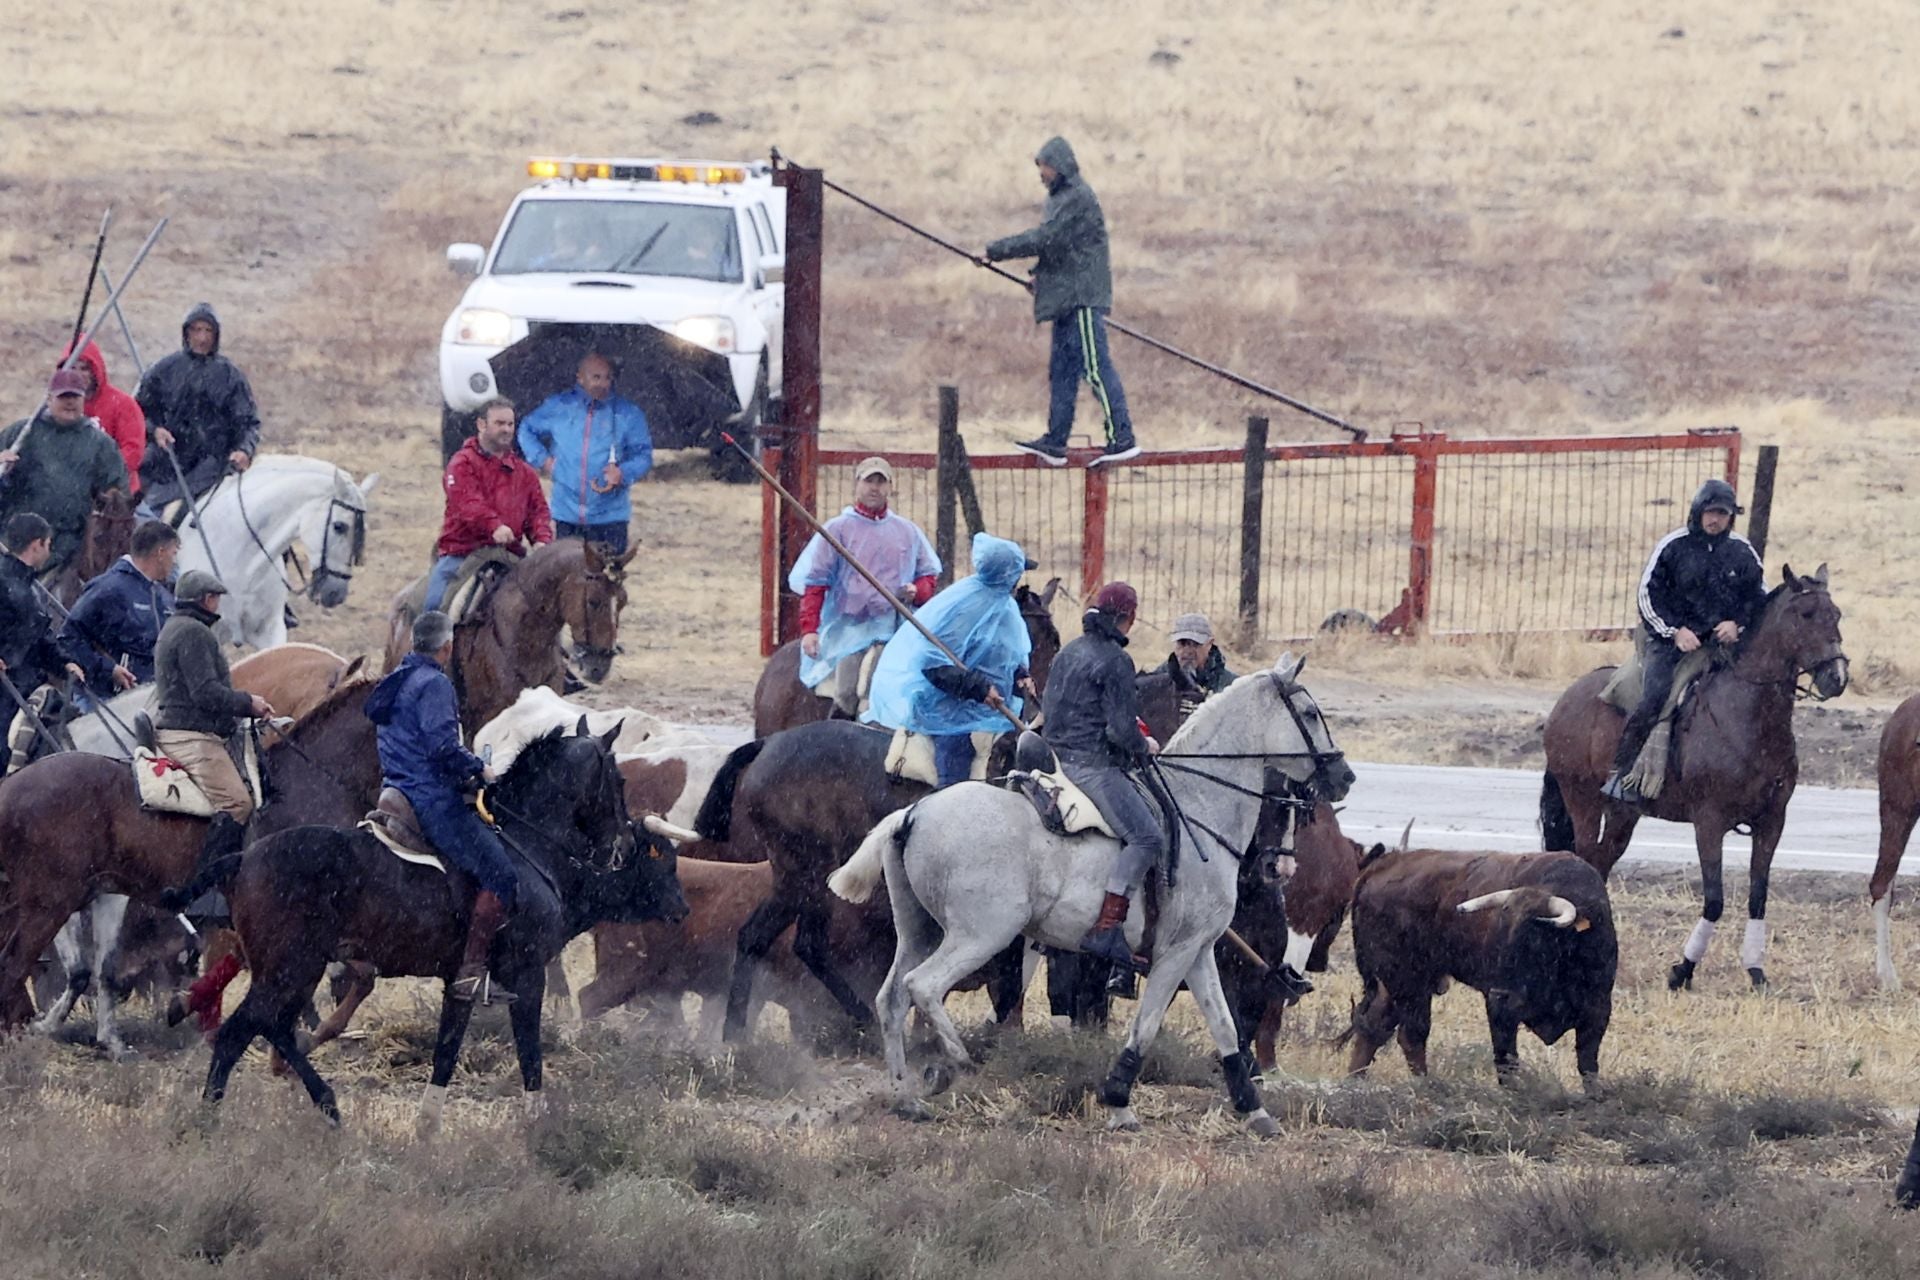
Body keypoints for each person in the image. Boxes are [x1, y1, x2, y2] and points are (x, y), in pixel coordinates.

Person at [365, 611, 516, 1002]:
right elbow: (442, 747)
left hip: (394, 791)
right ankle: (472, 971)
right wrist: (479, 769)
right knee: (501, 873)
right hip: (431, 800)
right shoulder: (434, 684)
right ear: (447, 647)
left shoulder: (395, 680)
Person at [1604, 478, 1768, 803]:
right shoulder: (1672, 546)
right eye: (1711, 512)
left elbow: (1759, 597)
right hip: (1668, 642)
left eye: (1723, 514)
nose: (1716, 520)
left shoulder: (1742, 551)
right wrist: (1675, 631)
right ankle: (1622, 773)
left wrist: (1737, 624)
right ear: (1698, 511)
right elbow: (1647, 596)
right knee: (1654, 697)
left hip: (1723, 645)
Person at [984, 137, 1137, 468]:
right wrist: (1041, 278)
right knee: (1062, 374)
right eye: (1040, 167)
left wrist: (995, 251)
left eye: (1046, 167)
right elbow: (1061, 249)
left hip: (1082, 300)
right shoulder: (1060, 199)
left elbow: (1046, 238)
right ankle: (1055, 442)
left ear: (1060, 166)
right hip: (1066, 300)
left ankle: (1122, 438)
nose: (1042, 173)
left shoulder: (1077, 196)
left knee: (1095, 368)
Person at [1042, 581, 1164, 969]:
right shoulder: (1116, 660)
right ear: (1129, 618)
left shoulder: (1069, 651)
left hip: (1052, 759)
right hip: (1090, 766)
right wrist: (1144, 745)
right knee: (1147, 837)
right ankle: (1108, 926)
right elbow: (1120, 731)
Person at [864, 532, 1033, 788]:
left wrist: (1021, 675)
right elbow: (932, 663)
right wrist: (978, 688)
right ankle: (947, 799)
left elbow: (1005, 655)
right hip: (950, 709)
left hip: (997, 710)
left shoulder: (1005, 606)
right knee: (956, 756)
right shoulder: (962, 607)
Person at [152, 570, 274, 907]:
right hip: (191, 736)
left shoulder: (175, 627)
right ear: (206, 599)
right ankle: (200, 887)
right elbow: (205, 692)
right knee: (239, 803)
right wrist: (248, 703)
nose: (218, 603)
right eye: (216, 598)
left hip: (183, 728)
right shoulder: (194, 633)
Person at [789, 456, 940, 708]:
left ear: (890, 487)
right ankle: (842, 721)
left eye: (881, 482)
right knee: (846, 690)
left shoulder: (907, 532)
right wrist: (810, 630)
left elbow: (928, 577)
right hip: (847, 629)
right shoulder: (836, 530)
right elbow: (815, 583)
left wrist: (917, 591)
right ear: (857, 484)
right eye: (869, 481)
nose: (874, 488)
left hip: (894, 628)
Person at [426, 398, 554, 612]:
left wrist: (542, 540)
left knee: (546, 609)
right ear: (481, 425)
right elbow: (467, 503)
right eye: (499, 423)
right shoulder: (461, 464)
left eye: (510, 424)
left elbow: (538, 512)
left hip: (509, 555)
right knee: (433, 606)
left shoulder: (525, 473)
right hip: (462, 553)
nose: (506, 429)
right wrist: (494, 526)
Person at [517, 352, 652, 551]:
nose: (603, 383)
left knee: (607, 570)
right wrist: (544, 460)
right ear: (580, 377)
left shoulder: (628, 413)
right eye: (596, 377)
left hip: (610, 517)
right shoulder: (559, 406)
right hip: (566, 514)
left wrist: (623, 473)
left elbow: (643, 454)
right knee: (569, 569)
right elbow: (526, 429)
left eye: (607, 377)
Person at [0, 369, 130, 570]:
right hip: (14, 538)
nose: (70, 402)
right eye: (63, 396)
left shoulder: (100, 444)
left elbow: (117, 490)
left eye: (75, 396)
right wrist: (3, 469)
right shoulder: (21, 433)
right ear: (49, 399)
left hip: (69, 545)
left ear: (84, 399)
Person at [135, 303, 260, 508]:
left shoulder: (230, 376)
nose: (202, 338)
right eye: (196, 330)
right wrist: (154, 431)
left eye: (208, 331)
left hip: (212, 468)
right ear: (187, 333)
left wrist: (244, 450)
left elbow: (248, 423)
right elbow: (137, 413)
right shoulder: (163, 370)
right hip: (165, 463)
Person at [0, 513, 88, 767]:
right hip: (7, 691)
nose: (50, 551)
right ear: (37, 544)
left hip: (27, 686)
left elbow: (39, 639)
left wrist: (65, 663)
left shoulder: (31, 588)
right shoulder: (6, 582)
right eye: (48, 544)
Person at [58, 519, 180, 700]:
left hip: (155, 695)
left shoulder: (161, 593)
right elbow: (68, 638)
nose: (175, 561)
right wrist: (109, 669)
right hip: (114, 700)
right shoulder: (108, 589)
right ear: (160, 553)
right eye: (174, 553)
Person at [58, 339, 146, 498]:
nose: (78, 375)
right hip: (69, 495)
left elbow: (133, 451)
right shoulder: (57, 407)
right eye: (72, 368)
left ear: (95, 370)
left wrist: (99, 473)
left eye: (84, 368)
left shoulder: (123, 404)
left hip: (116, 495)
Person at [1171, 612, 1237, 694]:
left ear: (1209, 644)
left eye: (1195, 644)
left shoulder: (1231, 686)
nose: (1187, 651)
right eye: (1182, 643)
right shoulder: (1160, 680)